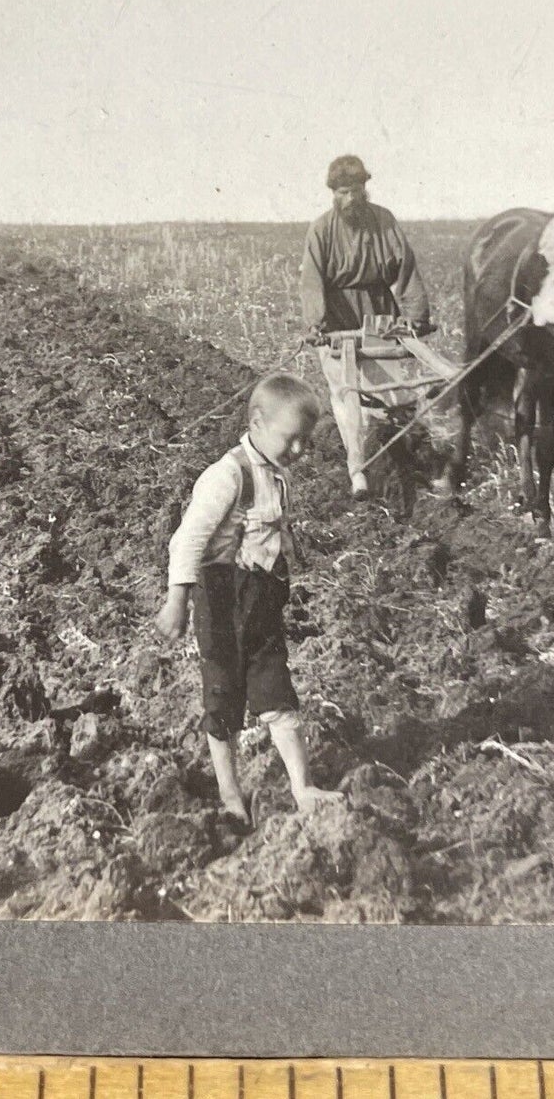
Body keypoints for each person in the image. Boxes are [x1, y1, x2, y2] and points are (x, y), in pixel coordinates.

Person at [155, 373, 341, 823]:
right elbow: (187, 541)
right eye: (290, 439)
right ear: (257, 423)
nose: (298, 451)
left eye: (304, 442)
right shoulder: (227, 476)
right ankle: (230, 794)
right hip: (221, 602)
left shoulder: (278, 476)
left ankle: (303, 787)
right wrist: (176, 599)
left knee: (277, 693)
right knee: (223, 698)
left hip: (262, 603)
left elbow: (271, 530)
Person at [300, 155, 433, 496]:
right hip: (337, 316)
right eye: (344, 192)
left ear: (365, 188)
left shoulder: (384, 222)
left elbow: (405, 270)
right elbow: (313, 281)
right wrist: (316, 325)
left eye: (357, 190)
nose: (352, 199)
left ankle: (409, 460)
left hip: (378, 312)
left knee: (393, 392)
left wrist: (416, 317)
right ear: (334, 193)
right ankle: (356, 466)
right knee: (347, 395)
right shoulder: (322, 229)